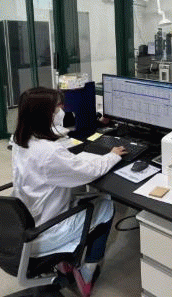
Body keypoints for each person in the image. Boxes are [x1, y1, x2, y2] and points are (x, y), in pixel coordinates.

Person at [11, 86, 127, 297]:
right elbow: (89, 171)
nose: (62, 109)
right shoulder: (49, 153)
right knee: (106, 204)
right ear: (45, 114)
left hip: (26, 222)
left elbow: (60, 161)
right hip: (46, 232)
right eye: (57, 106)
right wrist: (112, 155)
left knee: (84, 196)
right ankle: (87, 273)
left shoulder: (20, 139)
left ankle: (64, 263)